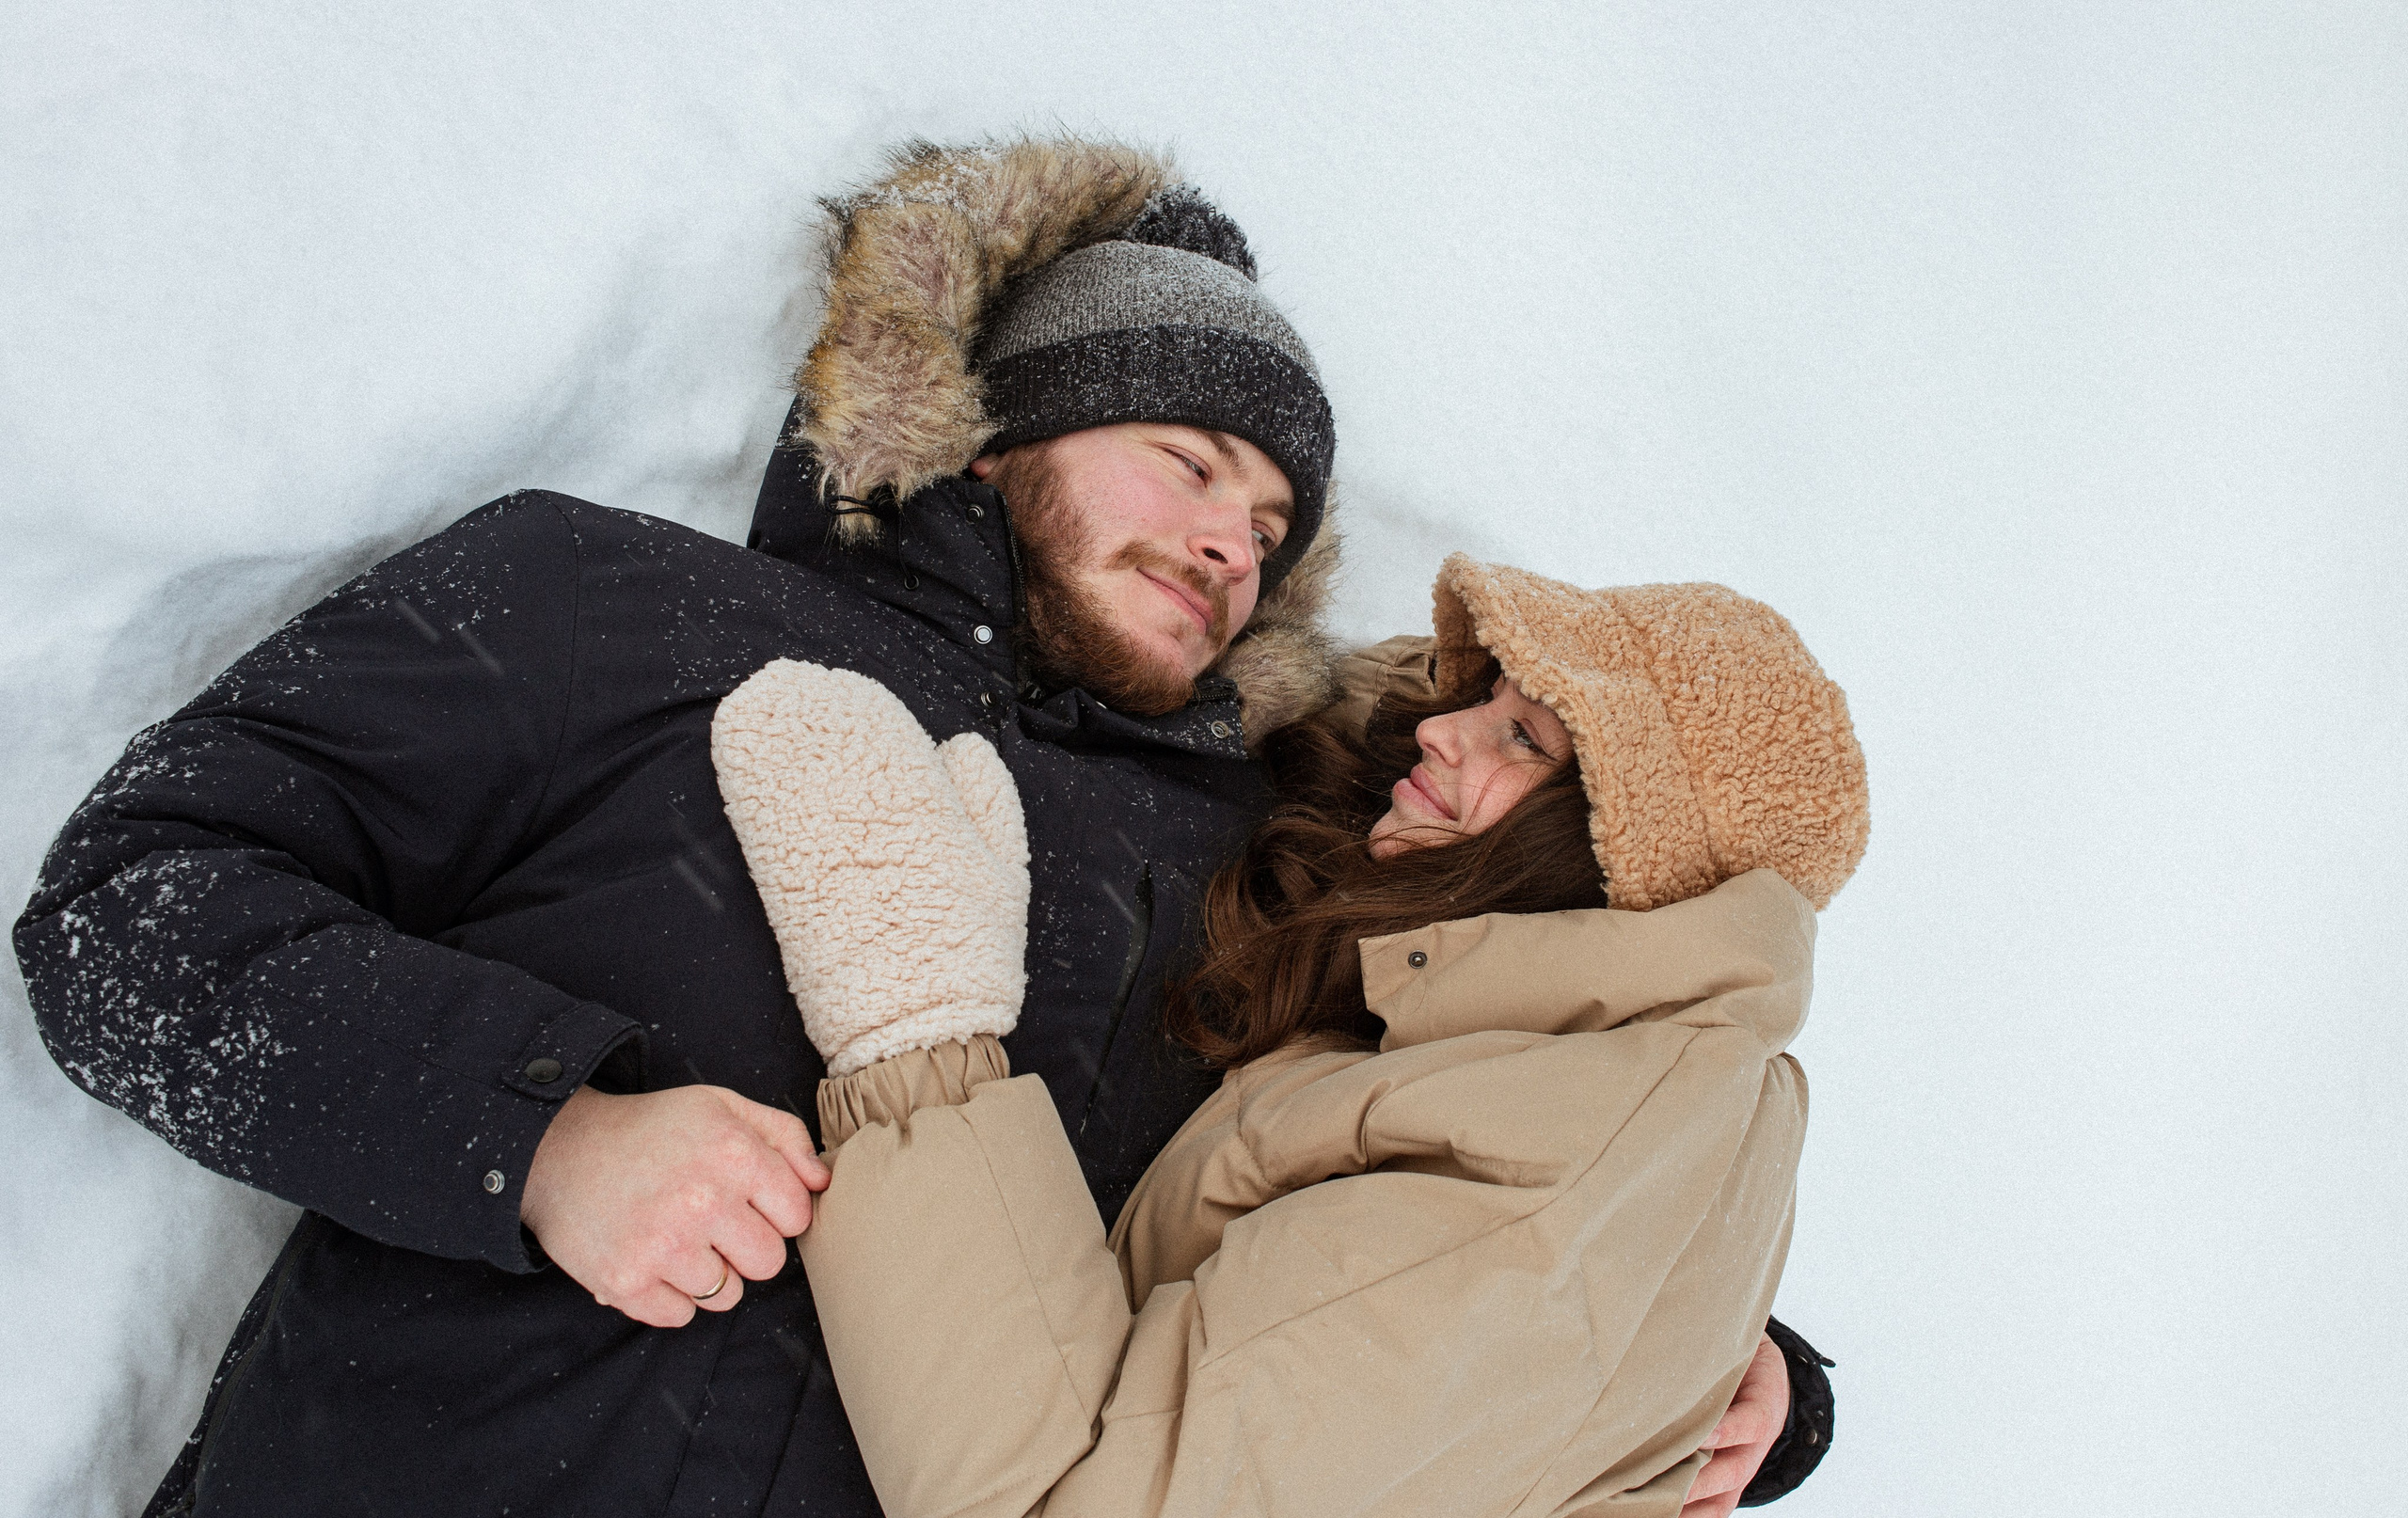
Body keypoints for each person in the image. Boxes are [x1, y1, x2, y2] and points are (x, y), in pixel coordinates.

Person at [12, 137, 1824, 1515]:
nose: (1230, 541)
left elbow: (1498, 1103)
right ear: (989, 440)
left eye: (1272, 520)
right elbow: (128, 905)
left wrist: (1734, 1356)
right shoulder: (603, 602)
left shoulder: (1264, 847)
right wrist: (538, 1132)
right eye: (1187, 461)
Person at [710, 555, 1868, 1517]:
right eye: (1485, 692)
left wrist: (912, 1020)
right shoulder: (1561, 1043)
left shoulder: (1544, 1180)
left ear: (1626, 864)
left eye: (1522, 735)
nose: (1446, 732)